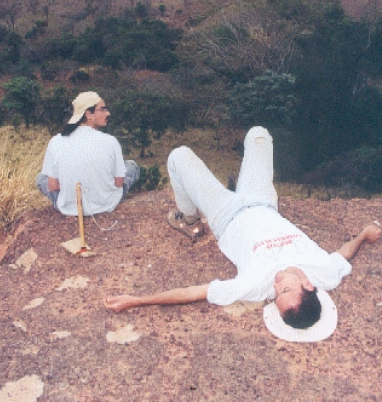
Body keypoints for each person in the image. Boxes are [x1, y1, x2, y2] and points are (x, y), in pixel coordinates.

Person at [104, 126, 381, 342]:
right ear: (309, 286)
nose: (276, 285)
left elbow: (196, 292)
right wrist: (362, 234)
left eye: (276, 295)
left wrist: (137, 301)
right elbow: (345, 254)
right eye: (285, 289)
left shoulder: (257, 285)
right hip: (262, 200)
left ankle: (189, 219)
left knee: (178, 155)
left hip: (225, 214)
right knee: (259, 133)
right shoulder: (327, 274)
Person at [36, 91, 139, 216]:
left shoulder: (56, 141)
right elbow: (118, 183)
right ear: (89, 114)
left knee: (41, 178)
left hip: (70, 208)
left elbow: (53, 186)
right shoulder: (110, 141)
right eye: (102, 109)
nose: (108, 113)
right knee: (131, 166)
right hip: (106, 205)